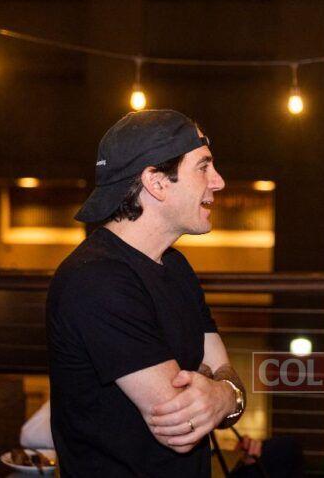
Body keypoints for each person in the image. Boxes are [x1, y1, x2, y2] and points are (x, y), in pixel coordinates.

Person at [47, 109, 246, 477]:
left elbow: (222, 372)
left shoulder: (176, 266)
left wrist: (221, 394)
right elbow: (184, 426)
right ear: (156, 183)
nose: (218, 182)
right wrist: (222, 391)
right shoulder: (95, 280)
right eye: (203, 167)